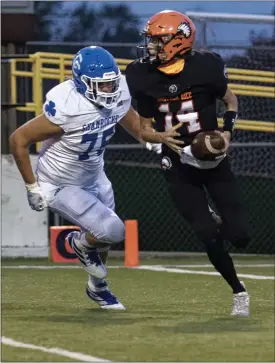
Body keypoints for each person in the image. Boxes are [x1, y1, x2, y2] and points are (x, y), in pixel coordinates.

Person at [126, 10, 251, 316]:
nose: (151, 46)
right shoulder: (140, 74)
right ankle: (239, 292)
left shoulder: (206, 66)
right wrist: (159, 136)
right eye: (151, 40)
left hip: (214, 160)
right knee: (207, 235)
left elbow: (231, 102)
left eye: (158, 40)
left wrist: (227, 131)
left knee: (241, 237)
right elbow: (142, 127)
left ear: (179, 40)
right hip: (177, 163)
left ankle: (222, 223)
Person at [10, 46, 147, 310]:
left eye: (111, 83)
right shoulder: (67, 106)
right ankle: (78, 244)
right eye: (102, 85)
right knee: (112, 230)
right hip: (61, 182)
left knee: (104, 238)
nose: (110, 90)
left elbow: (133, 123)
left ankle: (98, 288)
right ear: (82, 84)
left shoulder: (118, 93)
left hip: (95, 174)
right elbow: (18, 139)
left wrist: (156, 142)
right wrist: (32, 186)